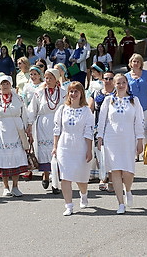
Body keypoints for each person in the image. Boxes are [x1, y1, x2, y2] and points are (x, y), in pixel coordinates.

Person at [97, 74, 144, 214]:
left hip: (129, 139)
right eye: (118, 83)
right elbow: (102, 120)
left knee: (128, 171)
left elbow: (139, 121)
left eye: (124, 82)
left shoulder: (134, 100)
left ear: (127, 84)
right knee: (116, 170)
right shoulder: (108, 100)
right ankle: (120, 203)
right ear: (114, 85)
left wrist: (140, 140)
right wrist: (100, 137)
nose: (121, 85)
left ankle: (128, 190)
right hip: (112, 139)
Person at [0, 75, 30, 197]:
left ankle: (15, 186)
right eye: (2, 83)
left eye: (7, 84)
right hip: (1, 132)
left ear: (11, 85)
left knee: (16, 158)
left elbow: (24, 114)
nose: (5, 86)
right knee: (3, 160)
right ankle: (5, 187)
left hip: (16, 132)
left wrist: (27, 130)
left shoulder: (18, 98)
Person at [52, 82, 94, 216]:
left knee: (81, 178)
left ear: (81, 93)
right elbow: (57, 129)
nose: (73, 94)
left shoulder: (87, 111)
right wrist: (55, 147)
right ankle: (69, 205)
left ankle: (84, 193)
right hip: (65, 145)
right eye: (71, 91)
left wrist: (89, 149)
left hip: (80, 144)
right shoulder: (62, 109)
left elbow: (89, 131)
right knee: (65, 177)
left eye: (76, 91)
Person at [27, 68, 66, 193]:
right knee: (45, 150)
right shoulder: (39, 92)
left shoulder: (63, 92)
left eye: (51, 78)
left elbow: (67, 107)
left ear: (56, 79)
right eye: (46, 78)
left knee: (57, 151)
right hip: (43, 124)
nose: (48, 80)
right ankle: (45, 174)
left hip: (59, 123)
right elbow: (32, 109)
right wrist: (29, 125)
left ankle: (56, 182)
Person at [88, 70, 116, 192]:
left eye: (110, 79)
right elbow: (90, 110)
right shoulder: (96, 93)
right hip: (98, 127)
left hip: (114, 129)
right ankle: (102, 177)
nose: (108, 81)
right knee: (100, 153)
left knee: (112, 153)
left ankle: (111, 177)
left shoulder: (118, 93)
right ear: (102, 80)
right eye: (106, 78)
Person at [125, 53, 147, 154]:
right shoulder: (126, 76)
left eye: (138, 61)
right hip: (132, 106)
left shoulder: (146, 74)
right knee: (133, 129)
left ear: (141, 63)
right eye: (134, 61)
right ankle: (135, 152)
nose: (136, 63)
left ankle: (145, 151)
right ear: (130, 63)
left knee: (145, 129)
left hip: (145, 105)